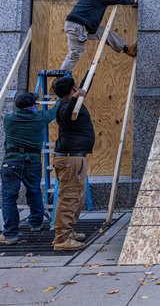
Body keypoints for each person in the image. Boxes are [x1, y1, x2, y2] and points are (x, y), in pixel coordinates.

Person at [0, 92, 59, 245]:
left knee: (9, 198)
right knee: (34, 191)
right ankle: (36, 223)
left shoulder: (9, 119)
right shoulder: (39, 118)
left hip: (11, 162)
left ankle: (10, 234)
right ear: (33, 106)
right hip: (32, 161)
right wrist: (59, 99)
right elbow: (54, 111)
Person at [60, 0, 138, 72]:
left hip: (81, 26)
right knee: (74, 55)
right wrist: (134, 0)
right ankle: (60, 81)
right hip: (77, 26)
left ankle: (126, 48)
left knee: (103, 32)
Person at [51, 77, 94, 251]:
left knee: (77, 196)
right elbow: (67, 116)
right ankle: (62, 238)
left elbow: (86, 83)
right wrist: (75, 98)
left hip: (75, 157)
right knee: (69, 197)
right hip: (70, 159)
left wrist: (94, 64)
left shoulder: (71, 102)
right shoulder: (65, 106)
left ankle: (69, 231)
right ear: (72, 90)